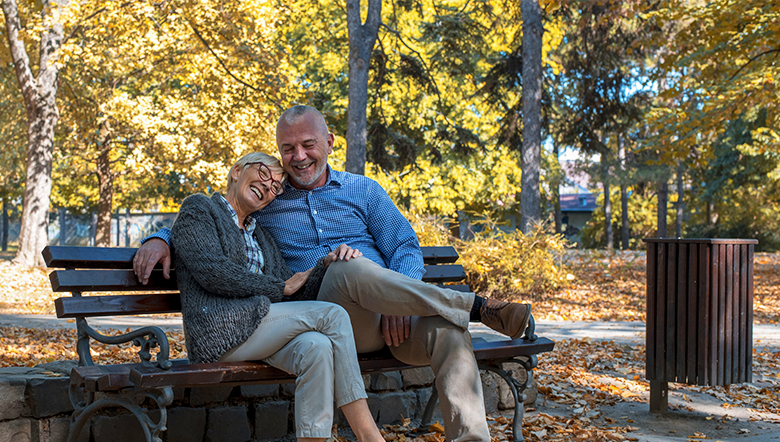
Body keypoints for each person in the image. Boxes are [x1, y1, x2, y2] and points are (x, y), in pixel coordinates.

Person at [134, 105, 532, 442]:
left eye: (308, 145)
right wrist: (160, 237)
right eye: (288, 148)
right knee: (346, 264)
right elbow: (213, 217)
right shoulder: (271, 196)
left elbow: (405, 248)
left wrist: (398, 298)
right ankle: (477, 306)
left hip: (393, 318)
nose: (299, 157)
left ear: (329, 143)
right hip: (328, 311)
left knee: (450, 332)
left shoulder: (364, 190)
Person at [170, 151, 383, 442]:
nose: (268, 186)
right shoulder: (200, 209)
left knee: (316, 347)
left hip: (259, 330)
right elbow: (213, 271)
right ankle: (370, 436)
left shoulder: (261, 236)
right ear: (236, 171)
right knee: (332, 316)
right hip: (218, 332)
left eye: (275, 187)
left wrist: (327, 265)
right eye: (263, 173)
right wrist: (277, 288)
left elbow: (291, 289)